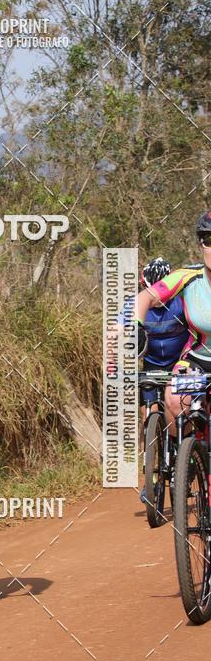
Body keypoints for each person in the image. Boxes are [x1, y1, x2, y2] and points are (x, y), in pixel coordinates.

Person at [137, 211, 211, 436]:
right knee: (175, 398)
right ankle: (183, 457)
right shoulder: (188, 276)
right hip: (197, 361)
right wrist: (136, 326)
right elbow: (145, 297)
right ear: (201, 244)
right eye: (209, 240)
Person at [132, 258, 189, 502]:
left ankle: (181, 461)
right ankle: (151, 477)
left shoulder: (182, 304)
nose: (157, 302)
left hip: (178, 364)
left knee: (178, 413)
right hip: (152, 365)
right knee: (149, 415)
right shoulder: (140, 307)